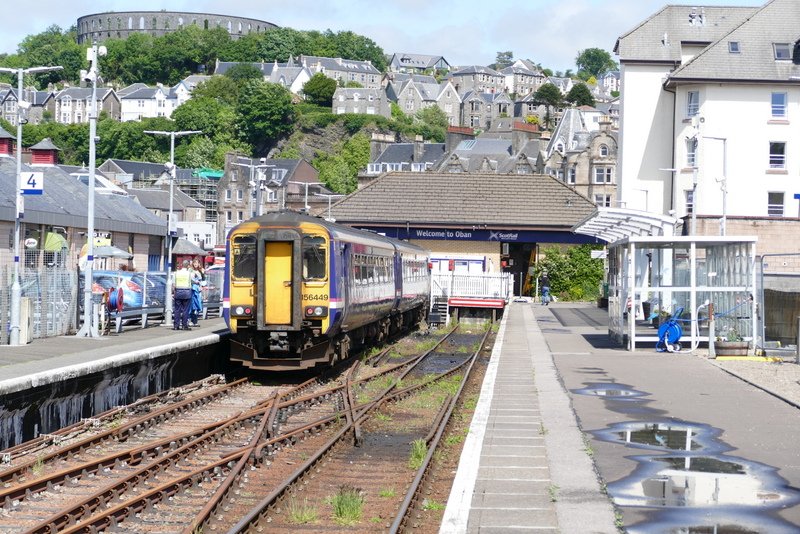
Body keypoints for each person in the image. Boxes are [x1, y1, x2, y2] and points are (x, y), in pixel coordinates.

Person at [173, 259, 192, 330]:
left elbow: (173, 284)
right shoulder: (189, 273)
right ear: (188, 266)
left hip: (178, 292)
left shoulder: (176, 273)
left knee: (177, 310)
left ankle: (176, 326)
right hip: (187, 293)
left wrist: (173, 293)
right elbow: (193, 281)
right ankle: (184, 325)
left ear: (182, 265)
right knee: (185, 310)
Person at [189, 258, 205, 326]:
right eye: (194, 262)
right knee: (192, 305)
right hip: (192, 289)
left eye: (197, 263)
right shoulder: (190, 270)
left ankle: (195, 321)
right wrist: (195, 282)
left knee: (198, 305)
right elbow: (189, 279)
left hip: (198, 290)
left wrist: (203, 274)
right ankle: (190, 320)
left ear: (199, 264)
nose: (195, 264)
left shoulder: (200, 271)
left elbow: (203, 280)